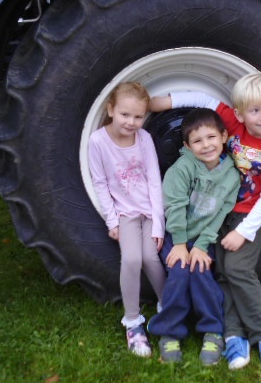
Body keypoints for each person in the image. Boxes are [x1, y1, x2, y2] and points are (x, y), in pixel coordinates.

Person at [149, 72, 261, 377]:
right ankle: (232, 334)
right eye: (255, 110)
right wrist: (160, 102)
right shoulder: (235, 127)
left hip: (245, 216)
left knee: (238, 268)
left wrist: (243, 230)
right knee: (222, 270)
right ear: (239, 115)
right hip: (216, 212)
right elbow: (204, 101)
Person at [147, 108, 240, 366]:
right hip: (176, 234)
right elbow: (174, 206)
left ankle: (212, 329)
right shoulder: (183, 168)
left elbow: (221, 213)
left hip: (202, 238)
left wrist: (200, 246)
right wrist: (179, 244)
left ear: (224, 136)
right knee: (178, 271)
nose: (206, 145)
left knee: (200, 271)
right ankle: (170, 330)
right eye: (197, 141)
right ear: (187, 145)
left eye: (211, 137)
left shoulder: (231, 176)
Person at [88, 82, 166, 358]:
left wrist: (158, 223)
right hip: (126, 214)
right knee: (132, 259)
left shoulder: (143, 139)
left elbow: (155, 181)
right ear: (110, 109)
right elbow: (99, 183)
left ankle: (168, 307)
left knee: (152, 257)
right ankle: (133, 323)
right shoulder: (98, 141)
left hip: (149, 211)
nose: (131, 122)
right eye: (124, 115)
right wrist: (112, 221)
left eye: (138, 116)